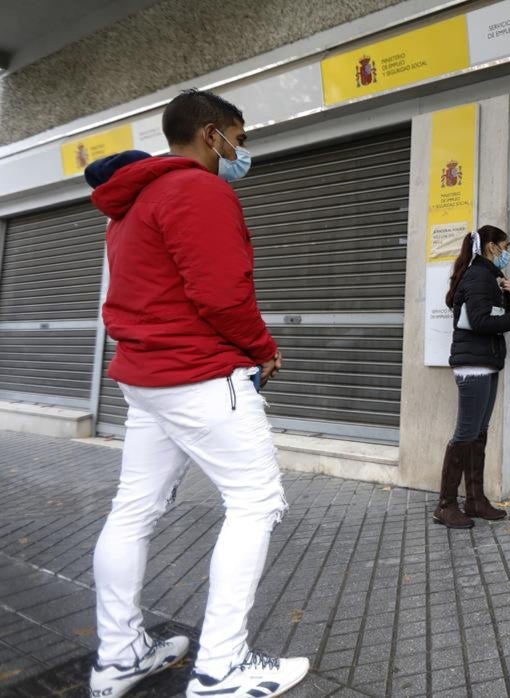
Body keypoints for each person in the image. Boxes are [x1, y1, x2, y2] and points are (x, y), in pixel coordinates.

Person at [85, 89, 308, 698]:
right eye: (242, 136)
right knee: (255, 501)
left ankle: (119, 655)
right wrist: (263, 348)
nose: (244, 150)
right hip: (201, 375)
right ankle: (221, 667)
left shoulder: (129, 206)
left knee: (133, 510)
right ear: (212, 134)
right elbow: (221, 295)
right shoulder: (201, 190)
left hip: (146, 378)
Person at [439, 225, 510, 528]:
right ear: (491, 247)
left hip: (485, 362)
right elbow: (481, 322)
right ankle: (446, 505)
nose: (507, 253)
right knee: (465, 434)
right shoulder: (478, 276)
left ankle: (475, 500)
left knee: (478, 433)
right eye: (505, 247)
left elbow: (492, 313)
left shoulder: (487, 276)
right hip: (474, 365)